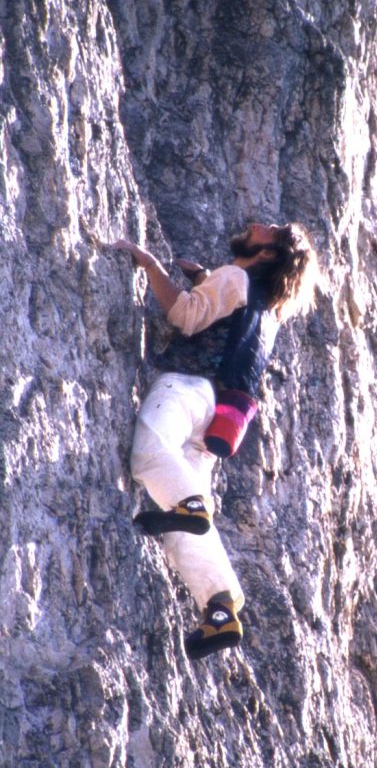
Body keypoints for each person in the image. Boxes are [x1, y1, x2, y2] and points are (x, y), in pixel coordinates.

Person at [113, 222, 318, 660]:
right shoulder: (269, 312)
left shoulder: (235, 276)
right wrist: (205, 279)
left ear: (265, 254)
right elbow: (227, 322)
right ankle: (219, 606)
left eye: (271, 230)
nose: (258, 225)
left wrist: (149, 265)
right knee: (185, 524)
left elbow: (188, 316)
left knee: (150, 454)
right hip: (217, 417)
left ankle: (191, 504)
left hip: (185, 388)